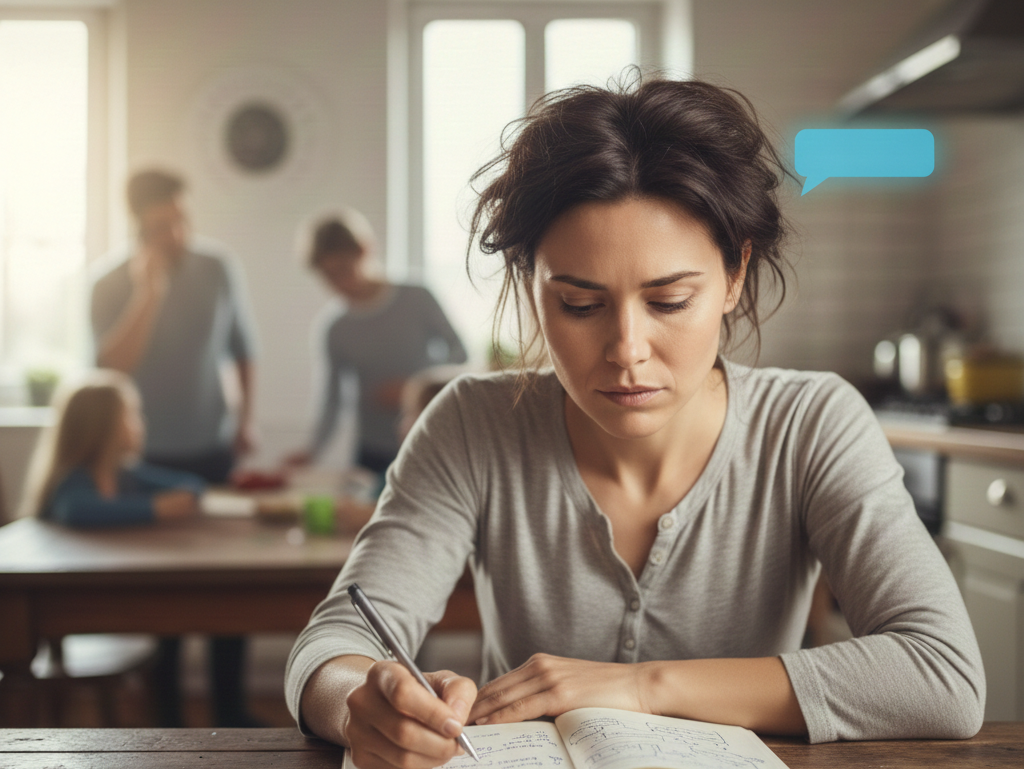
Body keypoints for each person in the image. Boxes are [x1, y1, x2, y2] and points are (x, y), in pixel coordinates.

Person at [285, 76, 985, 764]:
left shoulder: (810, 423)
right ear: (530, 284)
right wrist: (360, 703)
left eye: (670, 300)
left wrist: (641, 686)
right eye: (580, 306)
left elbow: (943, 674)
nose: (626, 352)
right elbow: (333, 643)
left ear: (735, 275)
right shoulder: (472, 424)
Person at [90, 168, 260, 727]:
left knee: (231, 590)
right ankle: (167, 722)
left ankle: (231, 714)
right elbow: (111, 368)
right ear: (139, 223)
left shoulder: (218, 267)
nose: (179, 232)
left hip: (214, 451)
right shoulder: (110, 282)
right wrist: (150, 290)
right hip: (146, 462)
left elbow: (242, 348)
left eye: (184, 218)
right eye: (165, 223)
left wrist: (245, 421)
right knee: (165, 598)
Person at [285, 209, 467, 474]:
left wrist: (412, 388)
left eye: (343, 270)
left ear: (364, 250)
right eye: (328, 276)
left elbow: (459, 352)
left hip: (429, 441)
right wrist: (311, 451)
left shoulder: (417, 297)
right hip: (371, 452)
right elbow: (332, 400)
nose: (339, 283)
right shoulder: (334, 329)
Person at [24, 370, 204, 526]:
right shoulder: (72, 481)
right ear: (103, 428)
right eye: (130, 415)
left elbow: (192, 485)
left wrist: (180, 499)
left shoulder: (124, 474)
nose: (140, 424)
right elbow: (77, 510)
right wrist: (156, 507)